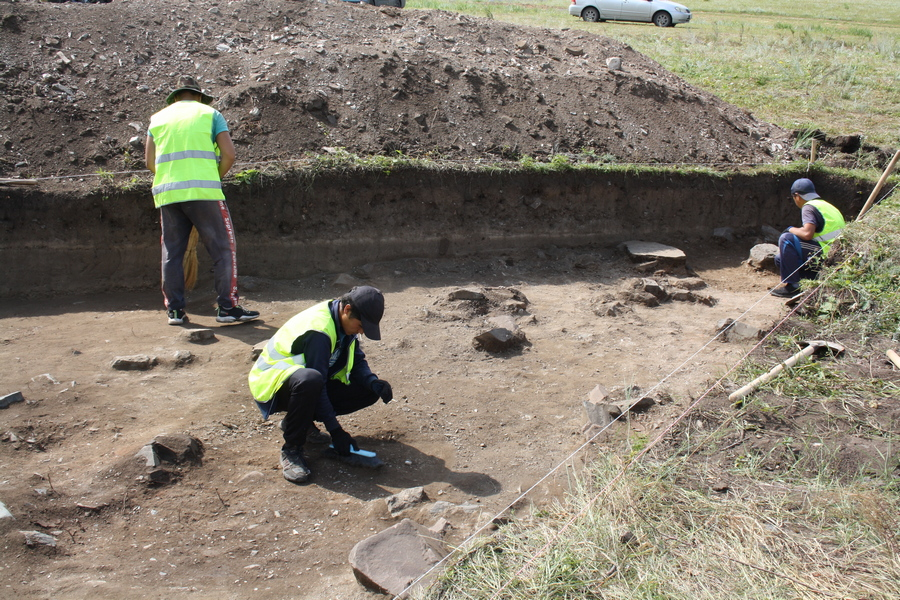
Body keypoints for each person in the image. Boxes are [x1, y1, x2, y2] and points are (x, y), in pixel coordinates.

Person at [248, 286, 394, 483]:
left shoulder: (344, 323)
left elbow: (357, 360)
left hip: (304, 383)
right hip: (273, 383)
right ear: (347, 309)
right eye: (361, 326)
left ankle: (300, 422)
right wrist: (336, 431)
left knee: (366, 391)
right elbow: (319, 384)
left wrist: (372, 382)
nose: (361, 332)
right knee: (311, 381)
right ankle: (291, 450)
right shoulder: (320, 331)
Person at [145, 75, 259, 325]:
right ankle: (227, 308)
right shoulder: (210, 114)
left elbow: (149, 162)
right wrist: (212, 178)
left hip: (168, 193)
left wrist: (174, 181)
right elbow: (229, 154)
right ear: (198, 96)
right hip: (205, 193)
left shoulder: (157, 118)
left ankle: (175, 311)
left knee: (172, 254)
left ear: (175, 97)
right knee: (223, 250)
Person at [771, 178, 846, 298]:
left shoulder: (809, 207)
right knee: (780, 259)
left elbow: (807, 234)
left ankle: (793, 287)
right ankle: (811, 281)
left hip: (827, 253)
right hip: (838, 254)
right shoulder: (828, 206)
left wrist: (790, 229)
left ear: (797, 196)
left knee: (786, 239)